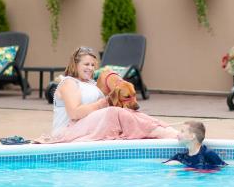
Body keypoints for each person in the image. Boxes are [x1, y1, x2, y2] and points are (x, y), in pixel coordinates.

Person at [35, 46, 178, 143]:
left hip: (85, 127)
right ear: (75, 65)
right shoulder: (69, 83)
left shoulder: (90, 84)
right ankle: (167, 134)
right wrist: (103, 103)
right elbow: (74, 114)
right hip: (67, 131)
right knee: (113, 112)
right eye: (86, 64)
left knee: (131, 112)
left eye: (92, 65)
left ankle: (169, 131)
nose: (90, 68)